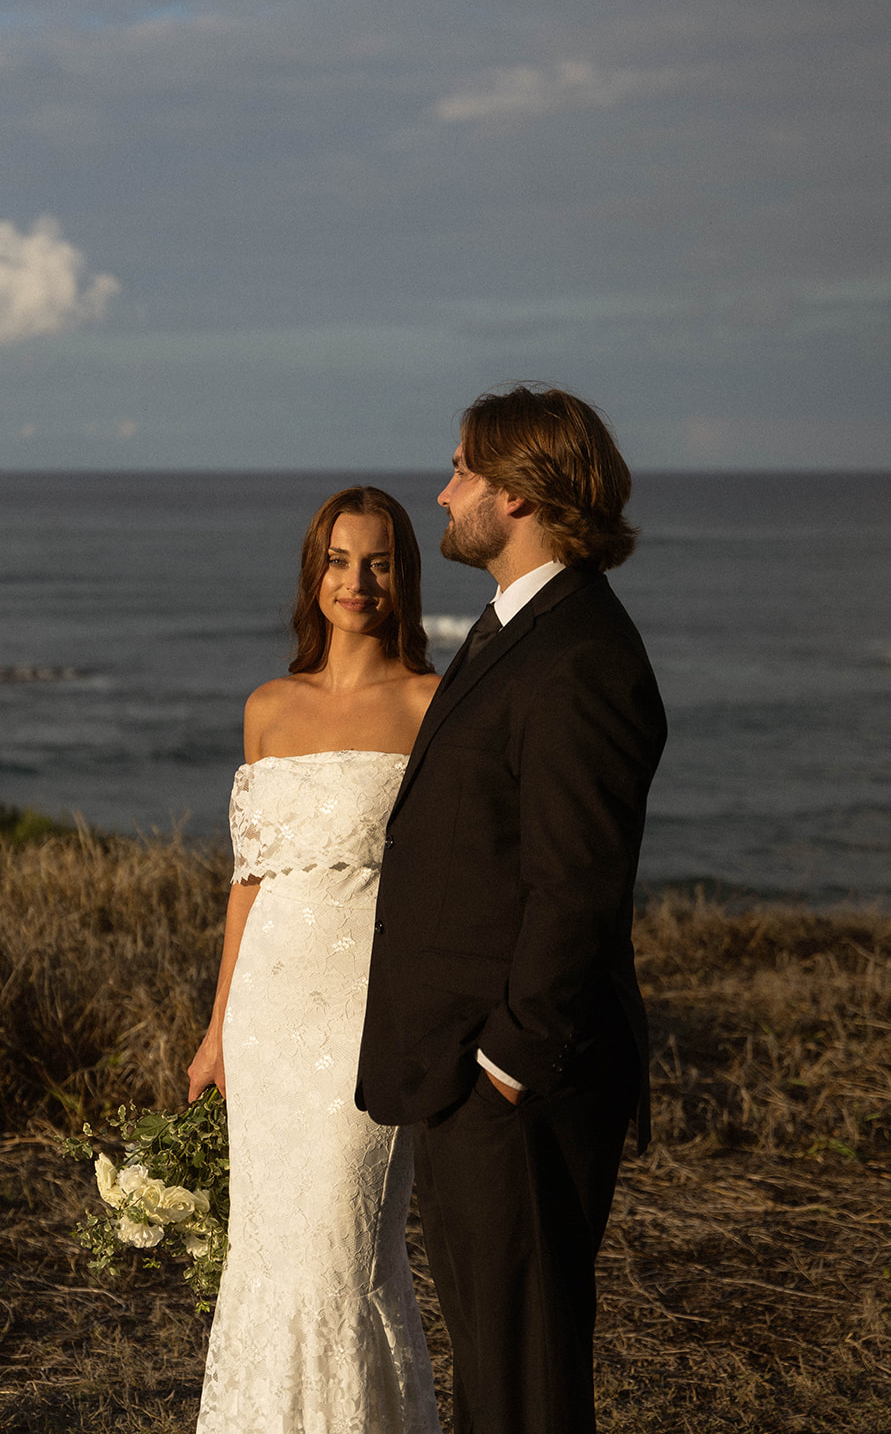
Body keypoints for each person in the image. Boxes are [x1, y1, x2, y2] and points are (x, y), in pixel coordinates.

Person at [357, 386, 667, 1434]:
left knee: (524, 1380)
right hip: (476, 1074)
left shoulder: (579, 657)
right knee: (493, 1368)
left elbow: (574, 883)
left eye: (458, 471)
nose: (439, 493)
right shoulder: (513, 631)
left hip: (519, 1090)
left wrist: (507, 1062)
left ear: (518, 494)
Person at [188, 486, 443, 1434]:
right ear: (315, 571)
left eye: (377, 561)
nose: (356, 581)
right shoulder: (267, 707)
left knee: (343, 1251)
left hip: (365, 1016)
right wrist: (217, 1032)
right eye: (339, 560)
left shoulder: (433, 702)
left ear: (402, 575)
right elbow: (245, 884)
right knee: (266, 1254)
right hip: (266, 1021)